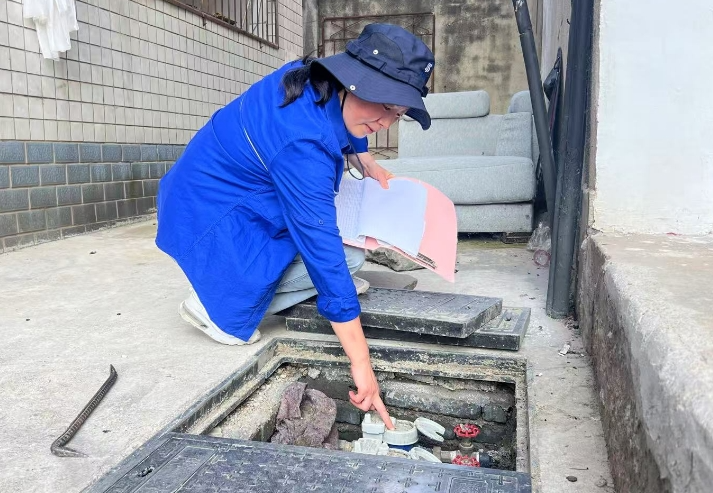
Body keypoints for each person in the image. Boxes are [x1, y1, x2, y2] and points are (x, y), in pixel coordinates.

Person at [156, 23, 435, 428]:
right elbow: (321, 247)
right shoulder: (302, 143)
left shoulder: (312, 79)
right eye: (384, 105)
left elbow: (345, 123)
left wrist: (365, 159)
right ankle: (213, 303)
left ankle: (248, 283)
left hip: (209, 190)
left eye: (398, 113)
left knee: (333, 244)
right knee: (346, 259)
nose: (385, 122)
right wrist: (361, 363)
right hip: (210, 213)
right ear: (353, 82)